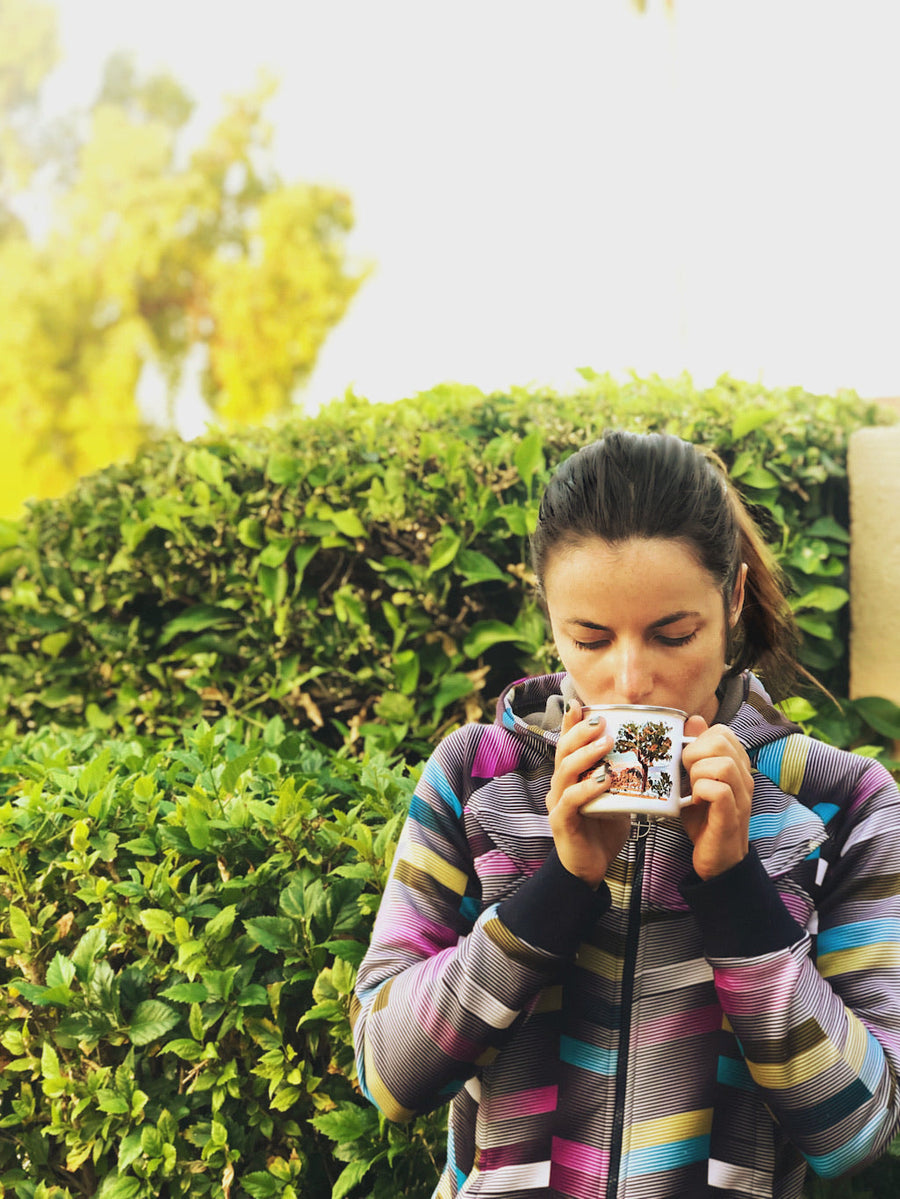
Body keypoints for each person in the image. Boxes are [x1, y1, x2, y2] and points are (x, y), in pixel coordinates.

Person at [351, 431, 900, 1198]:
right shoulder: (476, 775)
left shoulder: (844, 803)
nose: (631, 680)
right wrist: (557, 890)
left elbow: (858, 1133)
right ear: (550, 619)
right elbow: (386, 1072)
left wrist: (739, 890)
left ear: (732, 598)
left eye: (673, 634)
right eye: (590, 637)